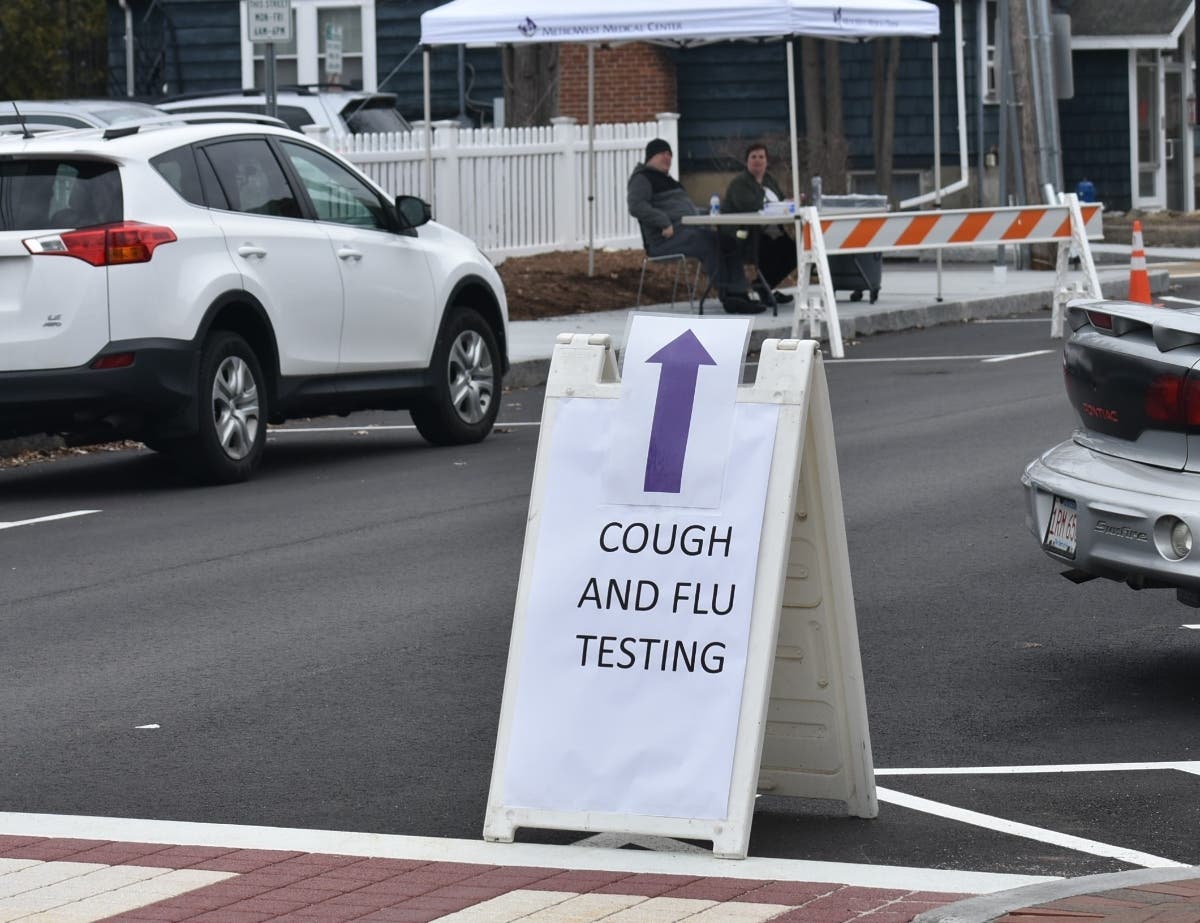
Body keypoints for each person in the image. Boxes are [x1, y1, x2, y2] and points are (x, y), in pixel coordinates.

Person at [627, 138, 761, 314]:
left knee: (728, 241)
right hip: (664, 240)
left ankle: (740, 293)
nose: (668, 157)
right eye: (663, 154)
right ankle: (728, 296)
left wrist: (710, 213)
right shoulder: (642, 178)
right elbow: (636, 205)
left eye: (670, 154)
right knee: (707, 242)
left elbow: (688, 211)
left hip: (688, 232)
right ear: (651, 156)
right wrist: (663, 222)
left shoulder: (670, 181)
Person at [722, 142, 798, 305]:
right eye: (753, 157)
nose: (758, 160)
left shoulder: (769, 180)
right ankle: (763, 287)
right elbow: (752, 207)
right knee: (773, 248)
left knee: (795, 250)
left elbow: (780, 201)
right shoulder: (740, 183)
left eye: (761, 157)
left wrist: (790, 203)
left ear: (766, 161)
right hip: (743, 235)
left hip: (768, 232)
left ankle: (764, 286)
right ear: (747, 161)